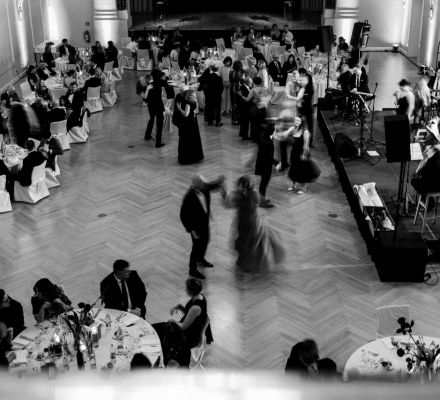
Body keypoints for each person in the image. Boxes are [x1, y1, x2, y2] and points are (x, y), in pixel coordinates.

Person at [220, 175, 285, 272]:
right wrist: (223, 191)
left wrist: (269, 206)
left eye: (241, 186)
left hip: (252, 222)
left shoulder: (254, 194)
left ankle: (249, 264)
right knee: (242, 243)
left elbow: (259, 203)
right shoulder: (238, 194)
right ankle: (243, 263)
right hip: (242, 222)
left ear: (247, 186)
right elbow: (228, 204)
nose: (239, 188)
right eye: (239, 186)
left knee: (251, 243)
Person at [180, 174, 225, 279]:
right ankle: (192, 270)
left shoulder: (203, 187)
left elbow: (211, 185)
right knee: (196, 247)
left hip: (204, 223)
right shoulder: (188, 198)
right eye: (202, 184)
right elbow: (183, 216)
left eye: (204, 183)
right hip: (195, 228)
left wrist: (220, 180)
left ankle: (200, 258)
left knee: (206, 241)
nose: (204, 185)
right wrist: (191, 230)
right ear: (196, 185)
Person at [169, 278, 213, 348]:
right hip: (189, 327)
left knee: (164, 332)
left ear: (190, 291)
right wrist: (180, 307)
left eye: (186, 288)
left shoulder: (196, 308)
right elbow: (189, 314)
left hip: (189, 336)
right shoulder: (200, 296)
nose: (185, 289)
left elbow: (183, 327)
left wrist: (173, 321)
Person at [274, 116, 311, 194]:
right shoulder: (293, 128)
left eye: (298, 121)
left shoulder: (305, 131)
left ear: (302, 122)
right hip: (294, 152)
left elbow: (306, 145)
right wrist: (276, 134)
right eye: (295, 120)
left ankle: (302, 188)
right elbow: (285, 134)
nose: (296, 122)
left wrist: (304, 155)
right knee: (293, 169)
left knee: (301, 171)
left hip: (302, 153)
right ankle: (294, 186)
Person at [175, 90, 204, 164]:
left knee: (187, 140)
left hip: (188, 124)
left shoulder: (188, 103)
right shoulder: (195, 102)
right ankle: (195, 157)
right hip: (193, 123)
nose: (195, 96)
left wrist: (179, 108)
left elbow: (186, 114)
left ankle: (187, 158)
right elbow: (195, 111)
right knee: (193, 139)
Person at [411, 145, 440, 211]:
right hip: (437, 184)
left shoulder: (431, 161)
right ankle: (427, 200)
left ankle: (429, 202)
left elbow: (423, 174)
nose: (427, 152)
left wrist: (424, 161)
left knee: (414, 181)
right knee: (421, 183)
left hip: (433, 186)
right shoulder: (437, 158)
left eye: (428, 151)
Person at [145, 70, 169, 147]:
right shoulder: (158, 84)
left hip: (150, 105)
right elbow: (159, 97)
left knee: (151, 119)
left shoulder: (150, 84)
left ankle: (147, 135)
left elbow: (146, 99)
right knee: (159, 124)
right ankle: (158, 143)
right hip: (158, 106)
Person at [240, 76, 269, 142]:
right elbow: (267, 99)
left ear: (254, 82)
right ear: (261, 82)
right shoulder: (265, 89)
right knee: (261, 123)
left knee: (254, 124)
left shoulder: (253, 90)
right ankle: (261, 137)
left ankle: (254, 138)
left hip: (256, 109)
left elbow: (247, 100)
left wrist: (242, 96)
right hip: (263, 108)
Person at [255, 121, 275, 208]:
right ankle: (262, 203)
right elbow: (269, 156)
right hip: (265, 166)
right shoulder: (268, 141)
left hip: (261, 164)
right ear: (272, 131)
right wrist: (277, 163)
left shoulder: (264, 136)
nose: (276, 131)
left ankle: (262, 200)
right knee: (264, 184)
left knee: (263, 183)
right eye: (275, 130)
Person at [296, 68, 315, 147]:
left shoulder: (309, 88)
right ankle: (300, 141)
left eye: (302, 80)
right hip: (301, 109)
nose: (300, 81)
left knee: (309, 126)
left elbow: (310, 94)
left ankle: (309, 142)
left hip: (307, 109)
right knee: (300, 126)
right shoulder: (300, 88)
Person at [230, 60, 243, 126]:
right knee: (238, 105)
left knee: (234, 105)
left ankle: (234, 120)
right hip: (238, 89)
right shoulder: (239, 72)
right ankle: (237, 120)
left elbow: (231, 80)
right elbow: (241, 81)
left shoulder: (231, 72)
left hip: (232, 89)